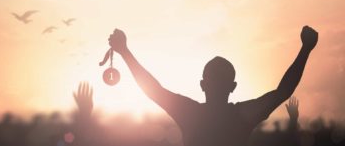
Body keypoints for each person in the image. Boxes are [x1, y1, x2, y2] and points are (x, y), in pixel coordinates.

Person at [107, 26, 318, 146]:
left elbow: (154, 90)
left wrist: (125, 52)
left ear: (202, 85)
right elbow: (282, 92)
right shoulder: (243, 114)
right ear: (233, 86)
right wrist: (305, 49)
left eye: (217, 79)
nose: (216, 84)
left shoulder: (190, 113)